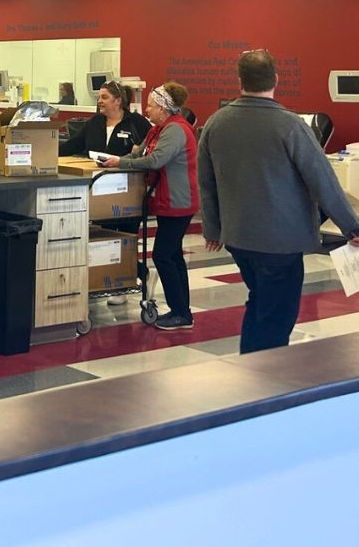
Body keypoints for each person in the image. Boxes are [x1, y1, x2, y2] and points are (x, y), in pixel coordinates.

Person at [199, 50, 359, 354]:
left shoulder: (216, 123)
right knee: (278, 315)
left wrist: (212, 229)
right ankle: (264, 380)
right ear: (275, 79)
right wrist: (352, 227)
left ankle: (250, 367)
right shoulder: (290, 125)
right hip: (280, 242)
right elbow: (323, 182)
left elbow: (206, 183)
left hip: (238, 238)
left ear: (239, 80)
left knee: (260, 300)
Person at [101, 80, 198, 332]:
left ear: (164, 109)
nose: (147, 110)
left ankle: (181, 312)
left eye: (152, 106)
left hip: (179, 201)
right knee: (173, 254)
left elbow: (155, 160)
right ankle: (182, 311)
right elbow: (138, 154)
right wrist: (114, 160)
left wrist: (121, 165)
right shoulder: (158, 130)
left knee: (163, 255)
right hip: (167, 200)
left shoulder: (176, 130)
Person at [59, 80, 149, 159]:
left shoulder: (136, 121)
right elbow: (73, 145)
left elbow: (154, 146)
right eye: (99, 97)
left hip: (124, 173)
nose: (99, 101)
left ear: (118, 101)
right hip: (95, 174)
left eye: (104, 97)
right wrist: (51, 153)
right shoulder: (94, 122)